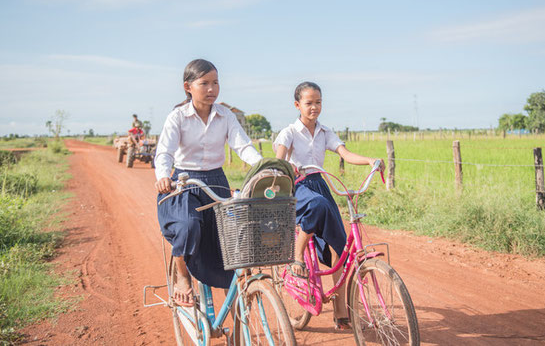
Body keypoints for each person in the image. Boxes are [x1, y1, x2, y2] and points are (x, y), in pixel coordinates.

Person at [273, 81, 382, 330]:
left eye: (318, 102)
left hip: (319, 185)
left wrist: (369, 160)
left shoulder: (325, 132)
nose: (314, 107)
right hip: (296, 186)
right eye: (309, 103)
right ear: (297, 105)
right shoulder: (288, 132)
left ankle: (341, 313)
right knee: (319, 205)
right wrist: (287, 165)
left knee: (340, 246)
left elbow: (344, 153)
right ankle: (297, 256)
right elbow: (278, 161)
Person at [154, 59, 262, 306]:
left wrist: (262, 167)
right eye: (204, 83)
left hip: (216, 182)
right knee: (188, 226)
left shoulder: (226, 116)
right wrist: (163, 176)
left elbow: (243, 146)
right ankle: (183, 276)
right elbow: (164, 153)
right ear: (188, 87)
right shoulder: (177, 117)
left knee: (231, 241)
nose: (212, 88)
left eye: (216, 83)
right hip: (183, 183)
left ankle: (234, 313)